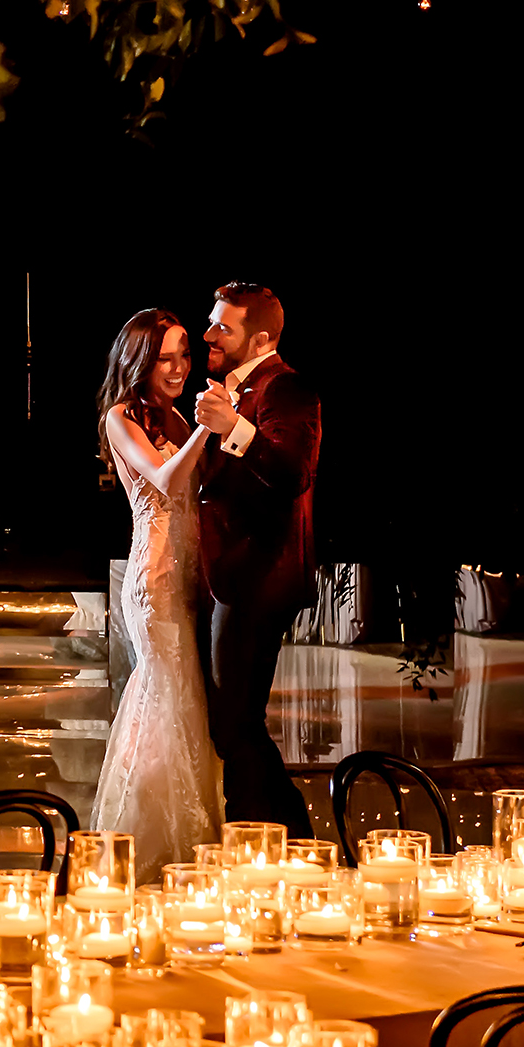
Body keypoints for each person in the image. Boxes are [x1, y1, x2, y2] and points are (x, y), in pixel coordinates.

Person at [89, 308, 221, 878]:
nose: (177, 367)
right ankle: (151, 845)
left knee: (189, 702)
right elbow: (165, 481)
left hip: (194, 573)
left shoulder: (172, 413)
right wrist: (208, 428)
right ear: (139, 361)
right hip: (158, 576)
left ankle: (191, 837)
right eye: (165, 358)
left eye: (183, 355)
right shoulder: (122, 416)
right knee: (163, 700)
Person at [193, 281, 321, 837]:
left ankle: (272, 839)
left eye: (224, 326)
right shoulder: (233, 388)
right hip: (230, 575)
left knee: (237, 723)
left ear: (262, 337)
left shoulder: (287, 389)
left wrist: (234, 429)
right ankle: (277, 840)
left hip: (260, 577)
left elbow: (293, 474)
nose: (209, 334)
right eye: (212, 322)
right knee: (234, 723)